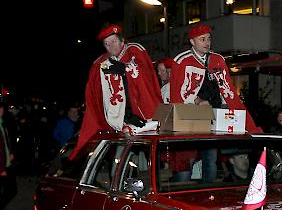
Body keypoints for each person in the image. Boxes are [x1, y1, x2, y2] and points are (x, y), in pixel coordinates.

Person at [72, 24, 162, 158]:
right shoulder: (104, 62)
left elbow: (143, 72)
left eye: (113, 41)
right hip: (123, 119)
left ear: (121, 40)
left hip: (143, 115)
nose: (110, 46)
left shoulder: (134, 50)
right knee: (121, 160)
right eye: (106, 44)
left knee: (149, 157)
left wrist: (125, 70)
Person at [170, 23, 260, 132]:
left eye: (209, 39)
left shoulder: (218, 60)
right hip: (193, 117)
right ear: (192, 42)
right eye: (202, 39)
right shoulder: (182, 61)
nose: (207, 43)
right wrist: (196, 100)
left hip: (218, 115)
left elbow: (229, 91)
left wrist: (248, 125)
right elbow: (177, 96)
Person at [0, 101, 16, 210]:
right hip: (1, 167)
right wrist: (1, 169)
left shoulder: (2, 125)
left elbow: (5, 143)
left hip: (7, 163)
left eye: (1, 109)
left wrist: (10, 153)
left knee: (12, 189)